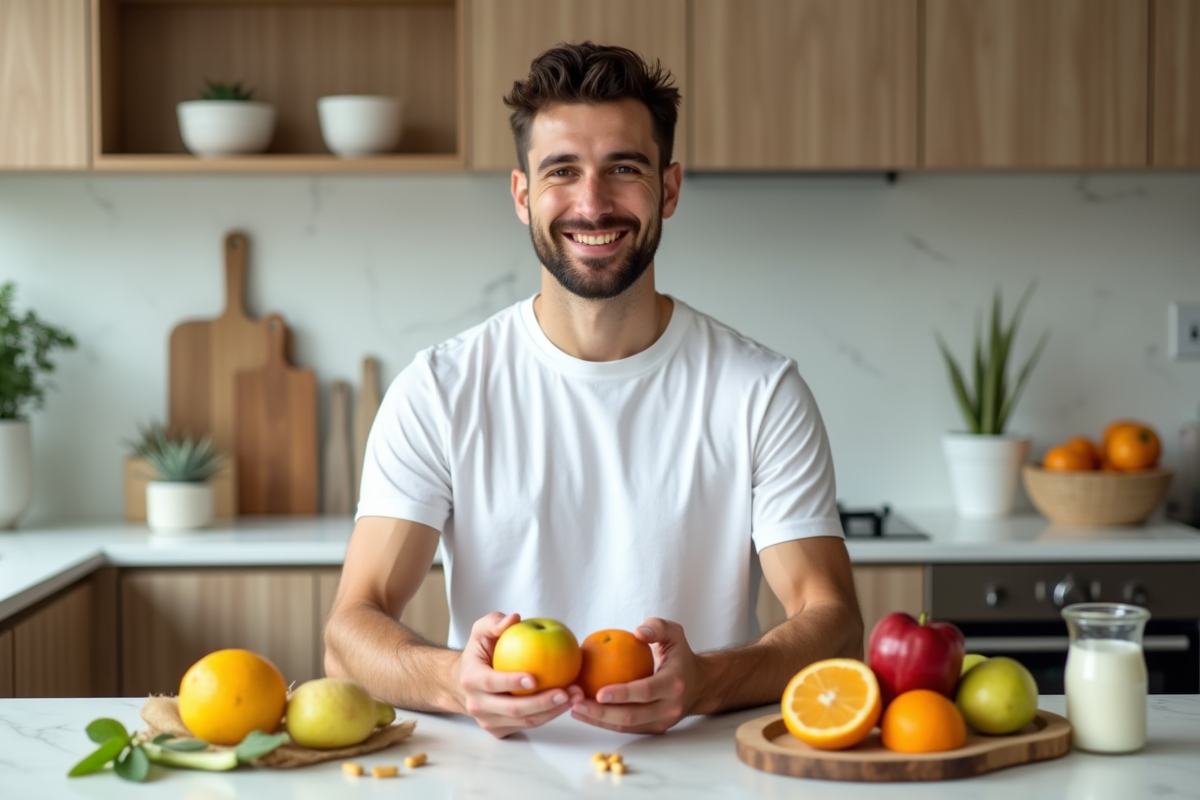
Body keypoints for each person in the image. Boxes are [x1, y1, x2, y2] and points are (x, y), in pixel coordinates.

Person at [324, 42, 863, 739]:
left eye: (623, 168)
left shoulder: (760, 391)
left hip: (704, 769)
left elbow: (835, 622)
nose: (592, 202)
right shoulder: (439, 390)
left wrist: (707, 681)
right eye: (562, 171)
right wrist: (454, 680)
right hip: (495, 776)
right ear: (523, 195)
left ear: (668, 188)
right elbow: (349, 631)